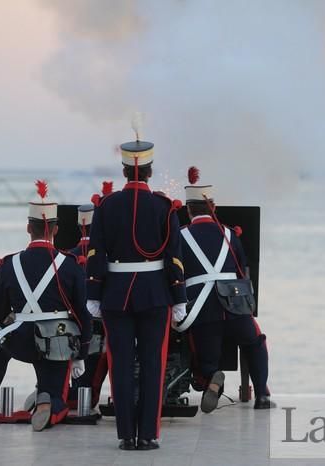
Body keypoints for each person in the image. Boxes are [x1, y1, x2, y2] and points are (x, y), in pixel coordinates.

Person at [86, 136, 187, 450]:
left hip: (115, 295)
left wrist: (93, 293)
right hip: (155, 294)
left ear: (124, 170)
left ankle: (126, 436)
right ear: (150, 170)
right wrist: (180, 298)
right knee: (152, 365)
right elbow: (173, 257)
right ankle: (147, 435)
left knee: (121, 365)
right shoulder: (163, 206)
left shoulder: (106, 205)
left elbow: (95, 253)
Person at [0, 181, 92, 431]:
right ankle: (48, 401)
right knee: (59, 397)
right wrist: (80, 352)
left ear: (28, 228)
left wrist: (13, 321)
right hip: (56, 343)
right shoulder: (71, 265)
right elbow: (83, 315)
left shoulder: (8, 264)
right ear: (56, 229)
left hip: (18, 342)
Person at [176, 169, 275, 412]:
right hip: (234, 307)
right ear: (213, 207)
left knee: (204, 358)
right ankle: (261, 395)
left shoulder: (180, 236)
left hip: (201, 312)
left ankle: (212, 379)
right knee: (255, 341)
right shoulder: (230, 233)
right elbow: (242, 268)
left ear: (189, 210)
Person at [66, 203, 108, 410]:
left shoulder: (66, 258)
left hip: (75, 330)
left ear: (78, 225)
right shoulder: (109, 254)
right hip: (106, 327)